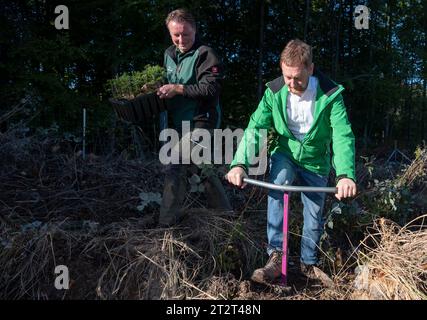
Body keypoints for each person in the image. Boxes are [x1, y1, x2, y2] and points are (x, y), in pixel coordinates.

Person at [226, 39, 356, 283]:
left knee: (314, 212)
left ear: (310, 68)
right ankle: (276, 257)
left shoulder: (330, 94)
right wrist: (239, 164)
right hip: (285, 153)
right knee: (280, 184)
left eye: (298, 77)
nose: (292, 83)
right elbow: (256, 127)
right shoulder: (274, 92)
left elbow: (342, 134)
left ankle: (309, 263)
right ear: (281, 69)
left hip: (316, 159)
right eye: (287, 77)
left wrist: (345, 174)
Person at [156, 8, 232, 227]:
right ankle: (227, 218)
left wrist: (178, 89)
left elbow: (211, 89)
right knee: (204, 169)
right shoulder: (169, 55)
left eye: (186, 34)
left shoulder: (205, 54)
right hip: (180, 123)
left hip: (203, 121)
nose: (181, 40)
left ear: (195, 30)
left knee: (176, 163)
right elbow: (168, 83)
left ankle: (165, 226)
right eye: (176, 35)